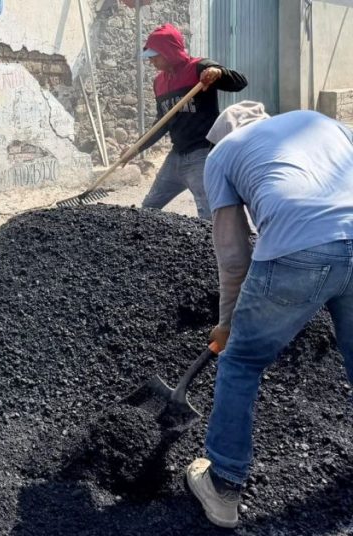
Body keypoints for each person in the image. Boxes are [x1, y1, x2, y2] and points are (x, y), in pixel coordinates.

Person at [186, 102, 353, 528]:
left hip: (298, 252)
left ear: (220, 137)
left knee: (241, 362)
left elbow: (233, 254)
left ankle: (223, 484)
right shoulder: (319, 122)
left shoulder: (222, 155)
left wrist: (227, 324)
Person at [135, 23, 247, 220]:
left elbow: (239, 82)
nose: (151, 61)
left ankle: (215, 249)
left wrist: (218, 73)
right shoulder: (159, 83)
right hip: (176, 156)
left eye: (155, 55)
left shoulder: (199, 68)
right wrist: (136, 148)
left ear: (168, 51)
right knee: (148, 208)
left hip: (201, 155)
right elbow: (162, 123)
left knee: (209, 217)